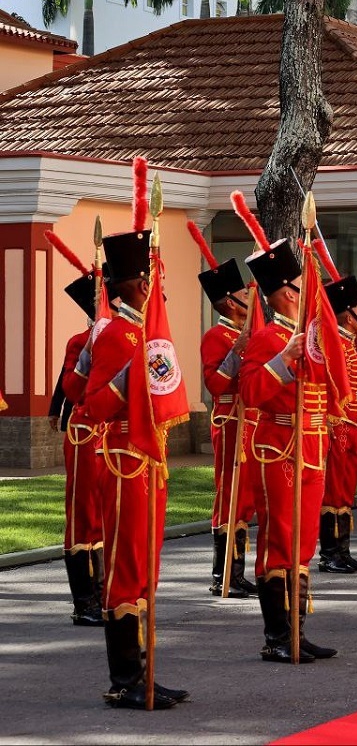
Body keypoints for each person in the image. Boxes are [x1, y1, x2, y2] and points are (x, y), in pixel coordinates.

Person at [85, 220, 187, 708]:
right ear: (131, 283)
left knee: (147, 569)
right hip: (125, 461)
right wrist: (130, 376)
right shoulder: (114, 336)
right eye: (146, 278)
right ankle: (125, 677)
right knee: (126, 569)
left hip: (151, 462)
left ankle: (144, 671)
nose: (153, 286)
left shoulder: (142, 334)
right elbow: (92, 406)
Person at [238, 231, 337, 663]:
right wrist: (284, 361)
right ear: (279, 295)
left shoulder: (309, 335)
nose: (301, 295)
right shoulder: (267, 339)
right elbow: (250, 393)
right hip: (280, 447)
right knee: (280, 540)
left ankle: (297, 628)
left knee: (303, 543)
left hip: (313, 445)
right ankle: (277, 635)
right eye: (295, 289)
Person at [49, 244, 105, 626]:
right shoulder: (78, 342)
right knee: (83, 514)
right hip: (86, 434)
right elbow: (71, 387)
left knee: (103, 514)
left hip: (114, 437)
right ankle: (84, 600)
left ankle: (103, 591)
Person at [195, 253, 256, 598]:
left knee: (245, 498)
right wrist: (237, 352)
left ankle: (238, 571)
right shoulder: (216, 336)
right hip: (231, 420)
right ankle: (224, 575)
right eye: (245, 297)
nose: (251, 302)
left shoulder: (249, 332)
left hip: (252, 422)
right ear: (230, 303)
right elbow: (215, 385)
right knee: (230, 495)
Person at [315, 265, 357, 574]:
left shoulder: (352, 342)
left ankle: (344, 549)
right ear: (348, 315)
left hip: (353, 424)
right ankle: (330, 553)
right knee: (334, 490)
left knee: (346, 490)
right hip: (338, 425)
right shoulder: (333, 342)